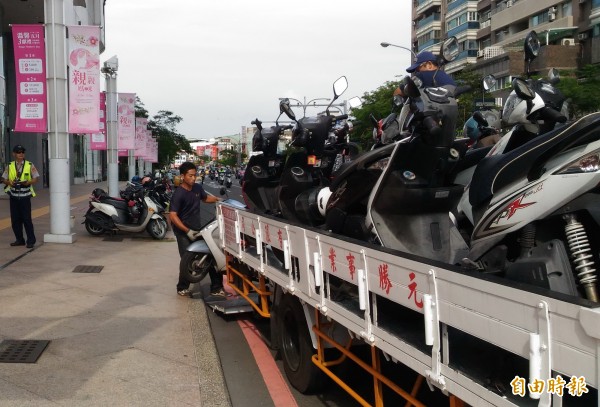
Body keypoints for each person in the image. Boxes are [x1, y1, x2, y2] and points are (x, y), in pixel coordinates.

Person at [169, 161, 225, 297]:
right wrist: (187, 231)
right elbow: (173, 215)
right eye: (190, 176)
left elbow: (205, 199)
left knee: (210, 255)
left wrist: (218, 199)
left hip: (197, 228)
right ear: (182, 176)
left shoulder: (197, 188)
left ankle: (216, 288)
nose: (193, 178)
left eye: (195, 175)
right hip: (182, 231)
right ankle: (182, 287)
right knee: (187, 259)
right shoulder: (179, 194)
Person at [2, 145, 39, 248]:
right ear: (14, 154)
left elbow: (36, 178)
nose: (21, 154)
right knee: (15, 220)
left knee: (27, 219)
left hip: (25, 196)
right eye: (18, 152)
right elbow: (3, 179)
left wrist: (28, 182)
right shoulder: (9, 166)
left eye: (22, 152)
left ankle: (31, 240)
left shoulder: (30, 165)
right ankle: (19, 239)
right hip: (13, 196)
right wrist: (9, 182)